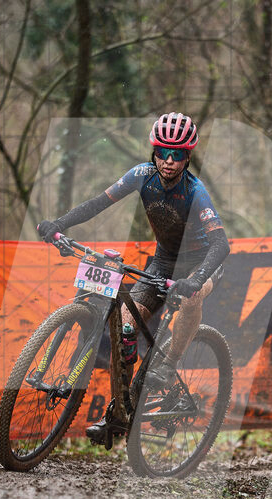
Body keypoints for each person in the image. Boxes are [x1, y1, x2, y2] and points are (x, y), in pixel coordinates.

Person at [36, 112, 230, 442]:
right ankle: (120, 413)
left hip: (201, 264)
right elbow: (98, 203)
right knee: (125, 330)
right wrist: (59, 224)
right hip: (164, 262)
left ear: (187, 157)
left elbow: (221, 244)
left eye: (178, 155)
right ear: (153, 152)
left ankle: (169, 363)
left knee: (191, 296)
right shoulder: (141, 176)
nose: (169, 161)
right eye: (163, 153)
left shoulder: (196, 192)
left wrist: (195, 280)